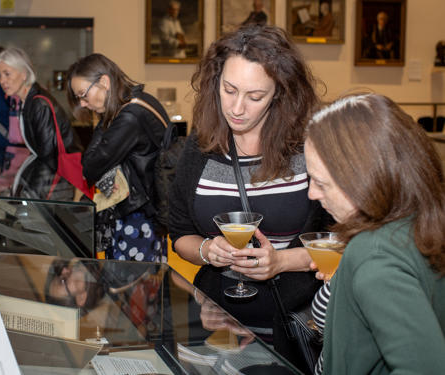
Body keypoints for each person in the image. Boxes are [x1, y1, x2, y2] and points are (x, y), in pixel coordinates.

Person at [168, 23, 331, 368]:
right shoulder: (199, 150)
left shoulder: (308, 149)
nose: (237, 108)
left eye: (255, 97)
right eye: (229, 90)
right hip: (216, 323)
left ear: (280, 94)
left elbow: (343, 237)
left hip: (294, 324)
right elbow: (180, 234)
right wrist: (207, 250)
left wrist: (283, 262)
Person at [305, 93, 445, 375]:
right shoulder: (421, 219)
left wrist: (363, 270)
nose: (312, 193)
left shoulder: (373, 256)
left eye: (320, 182)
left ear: (364, 179)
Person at [66, 53, 168, 262]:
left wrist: (104, 119)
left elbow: (90, 167)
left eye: (83, 95)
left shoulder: (129, 115)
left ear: (104, 81)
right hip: (146, 211)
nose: (83, 104)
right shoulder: (141, 100)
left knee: (132, 286)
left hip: (136, 217)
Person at [0, 47, 82, 162]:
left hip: (63, 173)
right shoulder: (26, 101)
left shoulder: (39, 104)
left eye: (7, 74)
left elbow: (47, 155)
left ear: (24, 74)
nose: (2, 81)